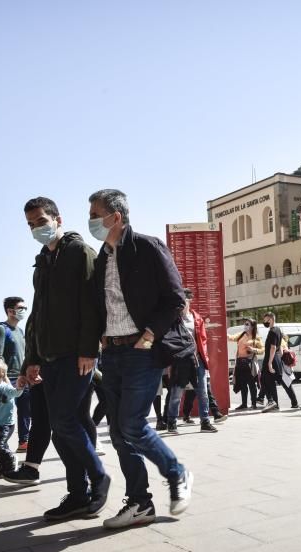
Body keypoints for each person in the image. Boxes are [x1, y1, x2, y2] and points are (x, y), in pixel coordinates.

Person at [89, 188, 192, 529]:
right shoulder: (102, 256)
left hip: (141, 350)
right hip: (112, 352)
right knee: (118, 433)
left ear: (115, 217)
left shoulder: (147, 247)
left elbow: (175, 298)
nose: (91, 222)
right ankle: (139, 502)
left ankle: (177, 473)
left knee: (132, 424)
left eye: (95, 214)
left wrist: (149, 335)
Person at [16, 196, 110, 521]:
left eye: (41, 221)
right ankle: (78, 495)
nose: (36, 228)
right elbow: (37, 315)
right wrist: (32, 358)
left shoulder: (80, 253)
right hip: (50, 358)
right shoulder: (42, 261)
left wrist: (88, 350)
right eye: (30, 224)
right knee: (64, 427)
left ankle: (99, 477)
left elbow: (93, 305)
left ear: (57, 218)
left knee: (64, 422)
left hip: (76, 356)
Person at [173, 288, 218, 433]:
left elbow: (203, 340)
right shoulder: (174, 318)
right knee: (177, 393)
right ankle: (171, 421)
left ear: (189, 301)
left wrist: (204, 356)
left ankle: (205, 421)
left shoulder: (197, 318)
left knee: (203, 392)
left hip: (197, 360)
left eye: (185, 301)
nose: (182, 304)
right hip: (181, 361)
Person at [0, 296, 30, 453]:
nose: (24, 311)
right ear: (10, 311)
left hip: (22, 377)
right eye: (21, 308)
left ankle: (23, 442)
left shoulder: (20, 331)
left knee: (25, 411)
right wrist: (3, 379)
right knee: (4, 415)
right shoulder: (2, 329)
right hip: (9, 378)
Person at [259, 312, 298, 411]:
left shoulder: (272, 331)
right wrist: (280, 359)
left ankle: (273, 402)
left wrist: (269, 363)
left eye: (265, 320)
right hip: (276, 358)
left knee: (265, 380)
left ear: (271, 319)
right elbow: (279, 346)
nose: (264, 322)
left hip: (271, 358)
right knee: (282, 380)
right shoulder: (278, 330)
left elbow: (273, 347)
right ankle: (293, 402)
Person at [231, 319, 262, 410]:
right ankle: (244, 404)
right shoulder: (241, 335)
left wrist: (254, 350)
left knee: (252, 384)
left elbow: (262, 350)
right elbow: (231, 337)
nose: (245, 325)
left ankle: (253, 404)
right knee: (242, 384)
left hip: (250, 363)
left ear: (252, 326)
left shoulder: (256, 337)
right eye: (245, 324)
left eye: (247, 324)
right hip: (240, 362)